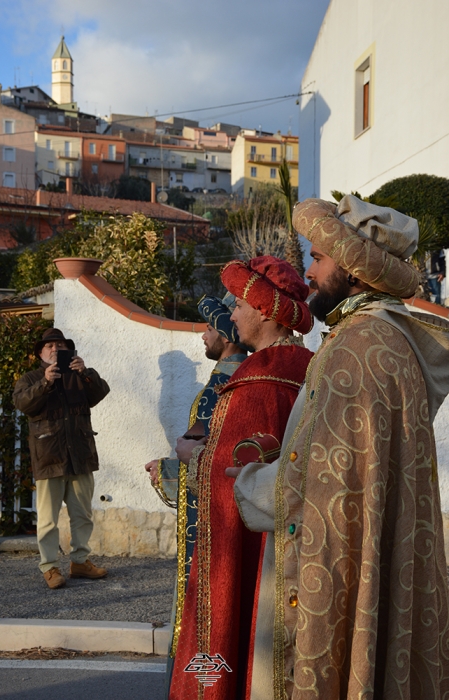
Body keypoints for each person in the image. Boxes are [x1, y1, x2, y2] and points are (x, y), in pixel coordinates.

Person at [232, 196, 449, 699]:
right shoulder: (388, 337)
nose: (308, 271)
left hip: (334, 561)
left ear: (353, 270)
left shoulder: (359, 345)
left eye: (318, 258)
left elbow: (318, 479)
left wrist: (238, 483)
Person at [169, 256, 314, 700]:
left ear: (267, 311)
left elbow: (230, 472)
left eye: (238, 304)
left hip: (254, 544)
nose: (230, 315)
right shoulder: (307, 368)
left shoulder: (258, 381)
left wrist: (192, 459)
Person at [145, 293, 247, 691]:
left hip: (209, 531)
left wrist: (173, 468)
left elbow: (215, 463)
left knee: (205, 620)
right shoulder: (227, 380)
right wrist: (172, 467)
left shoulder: (222, 386)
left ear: (227, 332)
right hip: (216, 522)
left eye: (209, 327)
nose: (202, 336)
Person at [13, 328, 110, 589]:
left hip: (80, 455)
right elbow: (23, 404)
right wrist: (45, 382)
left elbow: (101, 393)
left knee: (83, 515)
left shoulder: (79, 375)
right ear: (40, 353)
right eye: (49, 346)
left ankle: (80, 561)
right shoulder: (30, 378)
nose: (55, 349)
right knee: (47, 520)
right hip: (49, 457)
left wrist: (86, 373)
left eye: (60, 345)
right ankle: (50, 567)